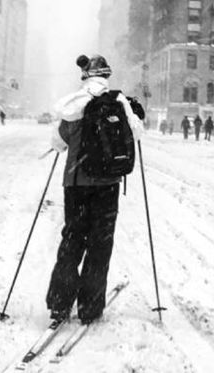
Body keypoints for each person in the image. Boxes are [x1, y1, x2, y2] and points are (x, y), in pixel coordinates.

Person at [47, 54, 143, 325]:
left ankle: (59, 304)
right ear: (107, 76)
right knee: (100, 245)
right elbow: (136, 133)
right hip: (108, 186)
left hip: (76, 184)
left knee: (73, 240)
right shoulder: (118, 102)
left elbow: (58, 142)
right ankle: (90, 307)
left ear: (85, 76)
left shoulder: (74, 104)